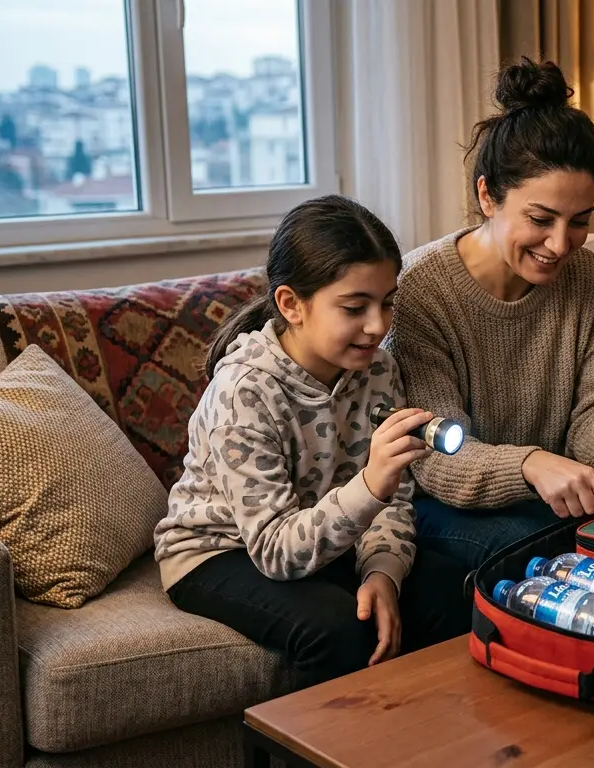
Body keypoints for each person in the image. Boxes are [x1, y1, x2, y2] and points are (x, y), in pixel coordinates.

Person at [154, 195, 470, 690]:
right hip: (222, 551)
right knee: (337, 627)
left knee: (452, 588)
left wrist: (382, 573)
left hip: (326, 536)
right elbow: (277, 551)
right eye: (354, 307)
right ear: (290, 304)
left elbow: (393, 500)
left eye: (387, 302)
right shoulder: (245, 393)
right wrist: (370, 484)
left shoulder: (377, 369)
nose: (378, 325)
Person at [389, 58, 594, 574]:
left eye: (579, 221)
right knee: (553, 550)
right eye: (540, 219)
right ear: (487, 195)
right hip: (439, 506)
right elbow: (434, 455)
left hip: (547, 493)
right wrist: (529, 464)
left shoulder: (584, 275)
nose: (560, 244)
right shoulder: (419, 292)